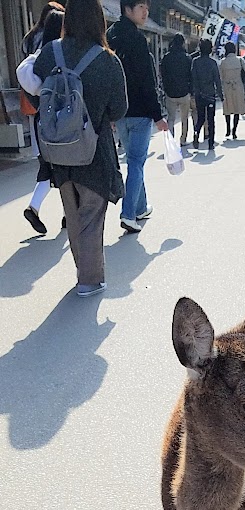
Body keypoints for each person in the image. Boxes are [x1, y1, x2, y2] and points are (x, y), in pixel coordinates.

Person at [33, 0, 128, 297]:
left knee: (72, 215)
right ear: (99, 20)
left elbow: (35, 92)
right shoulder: (107, 60)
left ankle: (85, 273)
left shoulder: (50, 52)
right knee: (90, 216)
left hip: (58, 150)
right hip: (93, 151)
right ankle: (89, 279)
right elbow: (118, 109)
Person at [107, 0, 168, 234]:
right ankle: (128, 213)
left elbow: (108, 78)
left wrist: (109, 110)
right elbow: (146, 82)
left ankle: (140, 207)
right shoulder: (138, 40)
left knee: (133, 160)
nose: (146, 12)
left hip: (120, 112)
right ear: (128, 9)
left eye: (146, 8)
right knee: (135, 162)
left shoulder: (110, 36)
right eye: (141, 7)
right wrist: (158, 115)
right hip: (141, 112)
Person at [18, 9, 66, 235]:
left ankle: (34, 207)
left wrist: (39, 95)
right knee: (67, 166)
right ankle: (69, 214)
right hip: (65, 119)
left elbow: (22, 72)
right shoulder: (63, 52)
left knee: (47, 165)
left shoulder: (36, 55)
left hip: (41, 119)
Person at [160, 33, 192, 147]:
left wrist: (165, 88)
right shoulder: (187, 58)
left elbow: (163, 74)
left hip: (170, 93)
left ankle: (171, 140)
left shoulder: (166, 57)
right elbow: (190, 75)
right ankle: (183, 140)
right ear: (183, 43)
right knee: (184, 118)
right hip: (184, 92)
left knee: (171, 118)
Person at [191, 38, 223, 151]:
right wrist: (221, 94)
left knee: (200, 117)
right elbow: (217, 80)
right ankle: (211, 143)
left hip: (199, 94)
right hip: (210, 95)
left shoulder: (195, 61)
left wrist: (195, 92)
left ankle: (196, 132)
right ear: (210, 49)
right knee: (210, 119)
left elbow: (193, 78)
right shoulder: (213, 63)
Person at [220, 41, 245, 139]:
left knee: (228, 109)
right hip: (238, 86)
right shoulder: (240, 60)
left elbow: (220, 77)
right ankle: (234, 130)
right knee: (237, 109)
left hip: (227, 87)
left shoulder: (223, 62)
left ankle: (228, 128)